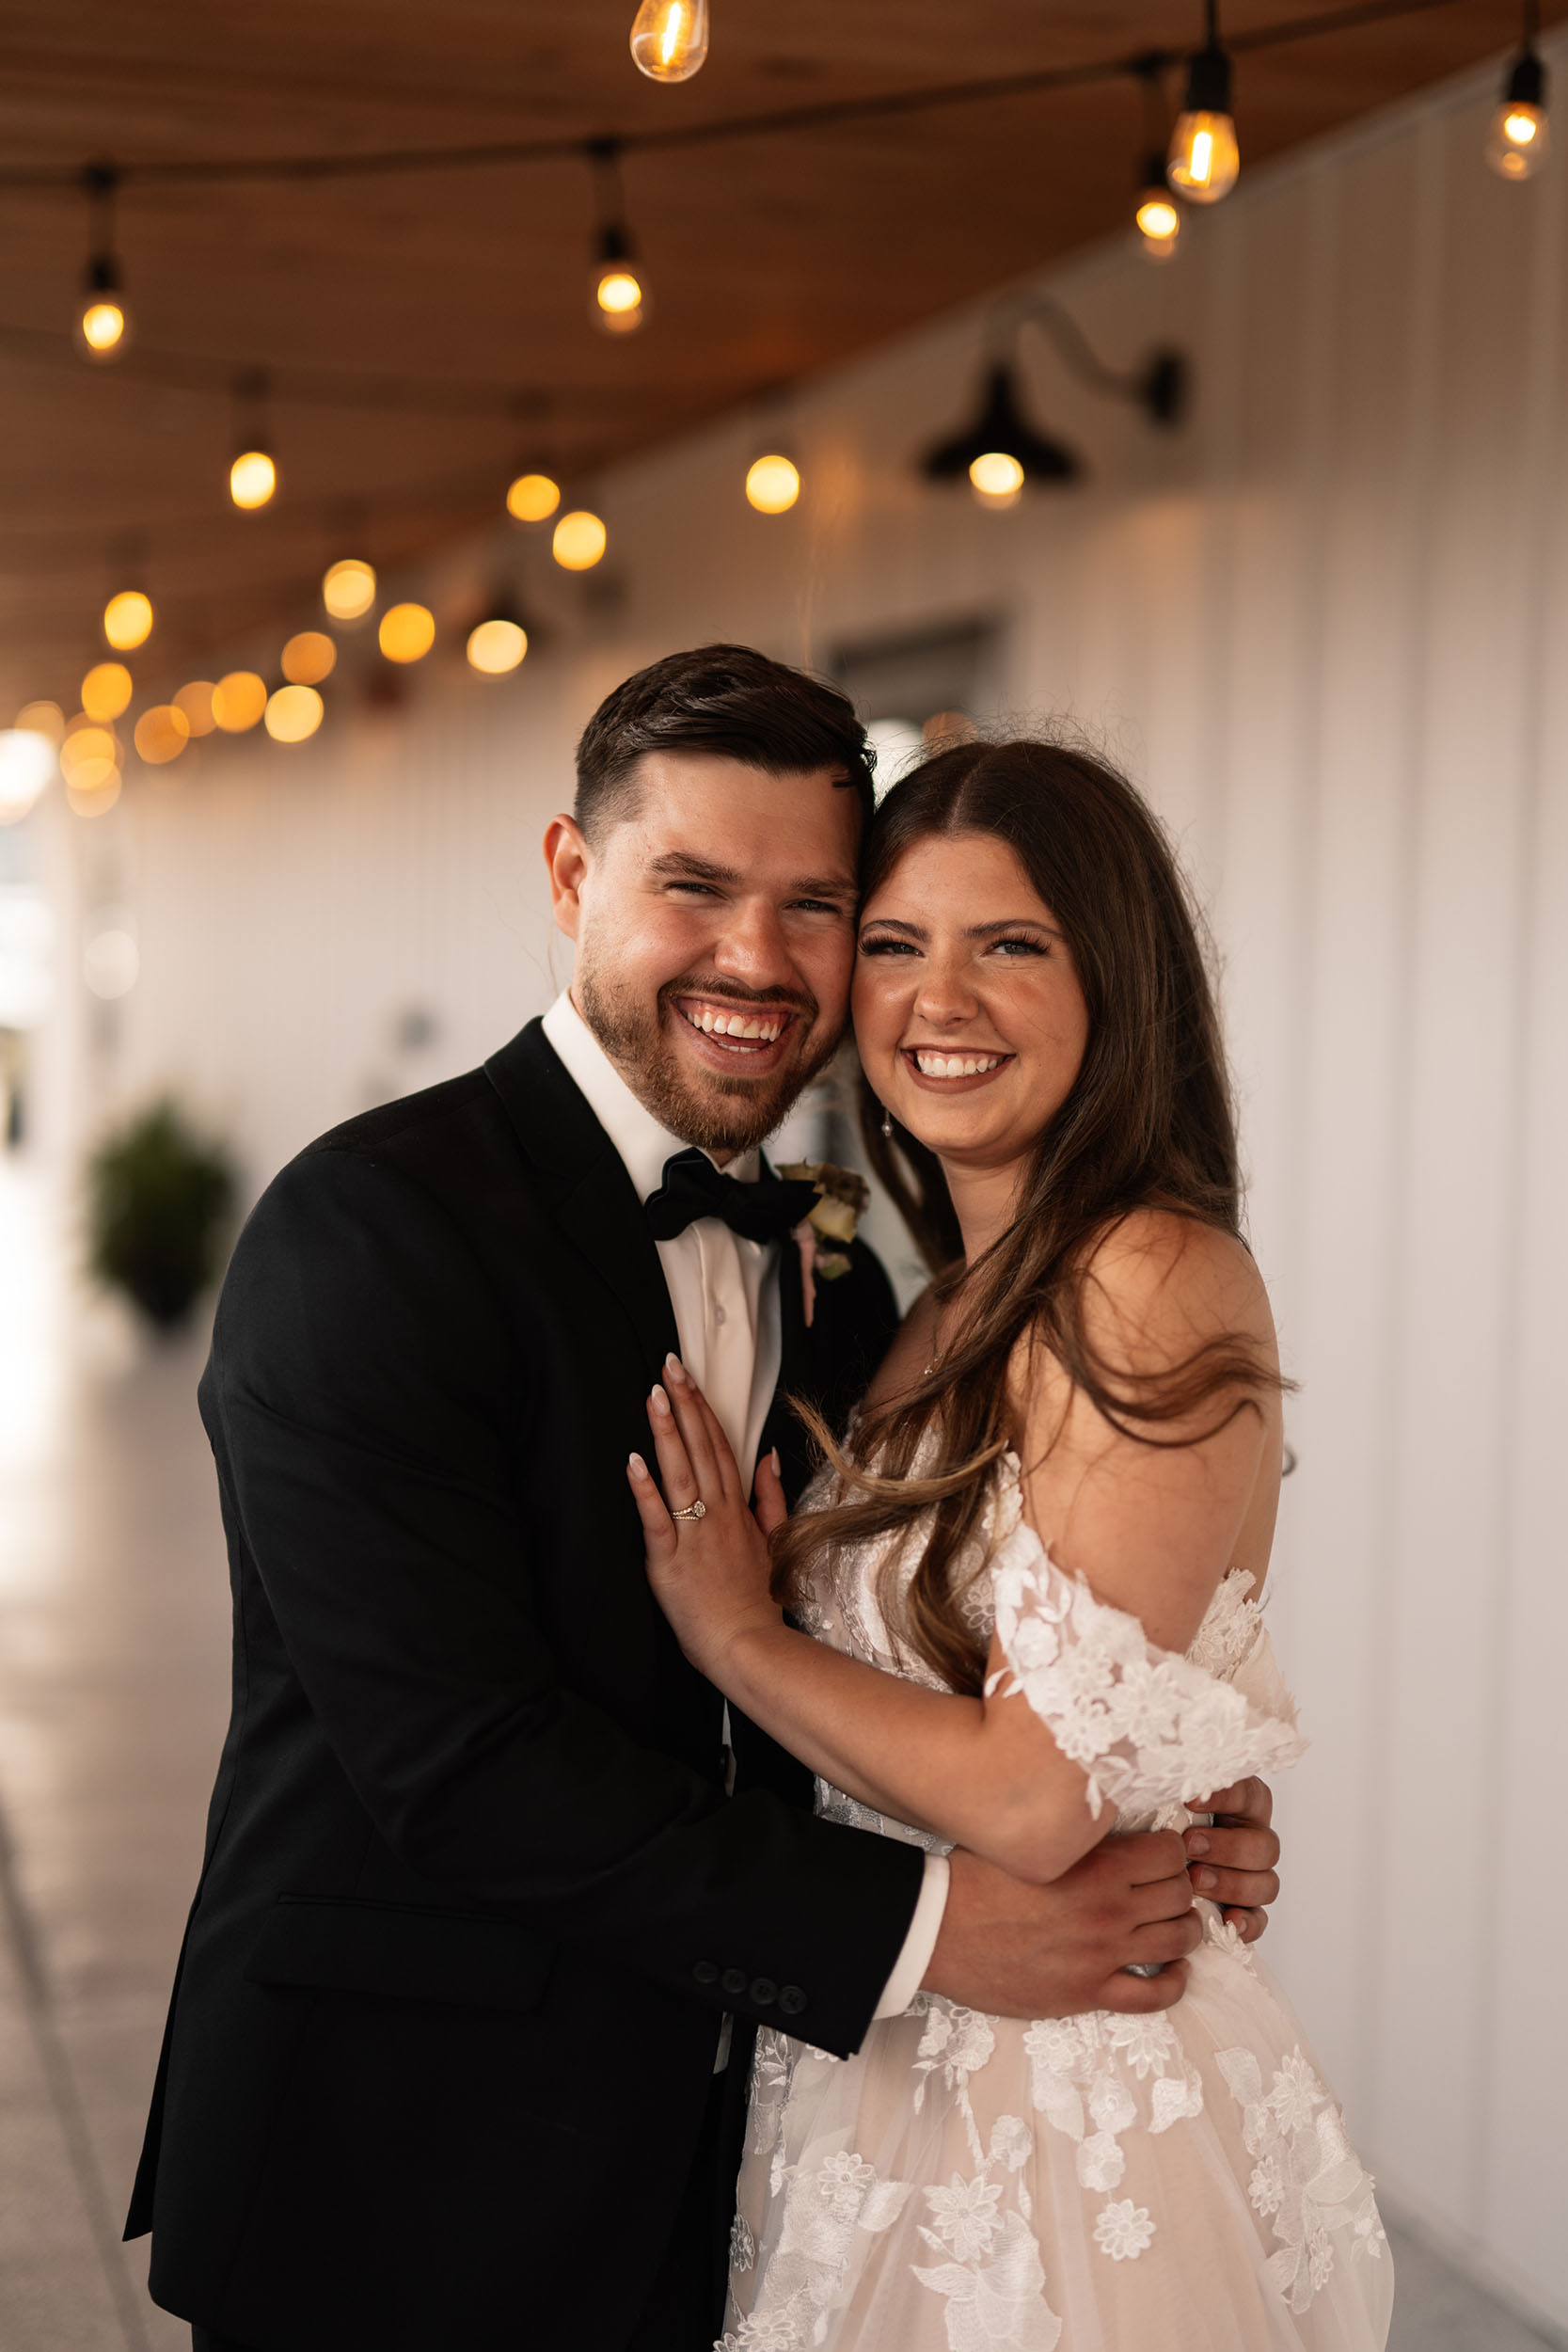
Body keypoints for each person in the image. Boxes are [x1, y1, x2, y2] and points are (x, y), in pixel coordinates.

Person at [125, 650, 1284, 2352]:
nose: (758, 959)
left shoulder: (853, 1293)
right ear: (573, 878)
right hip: (405, 2170)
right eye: (695, 887)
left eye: (819, 906)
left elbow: (958, 1665)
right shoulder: (368, 1233)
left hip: (733, 2169)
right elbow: (460, 1769)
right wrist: (943, 1925)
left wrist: (1163, 1786)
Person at [630, 736, 1393, 2350]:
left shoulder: (1148, 1276)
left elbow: (1044, 1794)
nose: (936, 1001)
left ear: (1117, 981)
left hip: (1057, 2116)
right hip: (893, 2057)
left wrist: (739, 1634)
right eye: (897, 946)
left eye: (1011, 945)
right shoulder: (937, 1310)